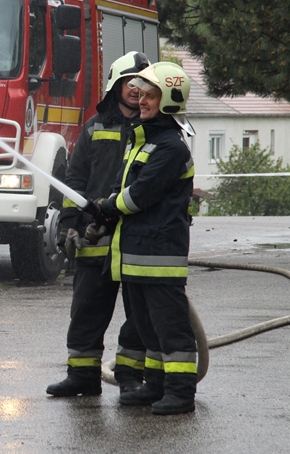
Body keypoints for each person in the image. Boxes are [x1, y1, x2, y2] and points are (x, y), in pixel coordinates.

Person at [93, 61, 197, 415]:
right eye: (141, 95)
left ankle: (181, 393)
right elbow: (124, 186)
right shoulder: (144, 140)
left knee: (171, 331)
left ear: (169, 100)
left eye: (151, 96)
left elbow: (140, 195)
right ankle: (155, 386)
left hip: (159, 256)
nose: (142, 101)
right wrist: (108, 208)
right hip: (136, 256)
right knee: (149, 330)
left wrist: (108, 206)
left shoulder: (171, 148)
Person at [46, 52, 149, 397]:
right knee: (87, 310)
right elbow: (75, 180)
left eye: (142, 84)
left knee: (139, 314)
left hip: (136, 238)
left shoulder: (156, 128)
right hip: (95, 238)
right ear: (116, 85)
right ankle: (82, 375)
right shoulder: (95, 127)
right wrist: (68, 225)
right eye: (129, 82)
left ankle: (130, 377)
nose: (135, 89)